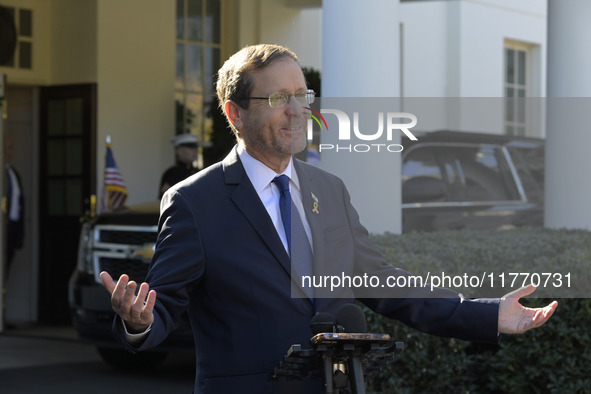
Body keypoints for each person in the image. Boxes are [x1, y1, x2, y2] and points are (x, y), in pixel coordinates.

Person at [100, 44, 557, 393]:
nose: (298, 110)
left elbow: (383, 281)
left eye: (302, 95)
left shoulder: (328, 190)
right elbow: (162, 308)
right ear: (234, 113)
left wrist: (487, 314)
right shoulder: (194, 201)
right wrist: (139, 321)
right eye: (280, 97)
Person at [4, 136, 24, 274]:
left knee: (5, 272)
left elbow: (20, 204)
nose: (7, 152)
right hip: (2, 229)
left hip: (12, 230)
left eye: (10, 148)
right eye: (5, 148)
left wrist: (19, 235)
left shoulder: (14, 173)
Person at [158, 133, 199, 198]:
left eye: (195, 147)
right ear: (179, 151)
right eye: (190, 147)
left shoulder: (198, 172)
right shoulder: (171, 174)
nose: (195, 150)